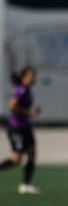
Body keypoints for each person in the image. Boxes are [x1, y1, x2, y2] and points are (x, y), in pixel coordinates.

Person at [0, 66, 41, 194]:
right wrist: (29, 112)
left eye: (34, 76)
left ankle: (25, 185)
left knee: (32, 153)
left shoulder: (27, 89)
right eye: (30, 76)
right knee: (16, 160)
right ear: (24, 77)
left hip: (25, 127)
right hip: (16, 128)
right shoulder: (21, 90)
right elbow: (12, 106)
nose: (33, 78)